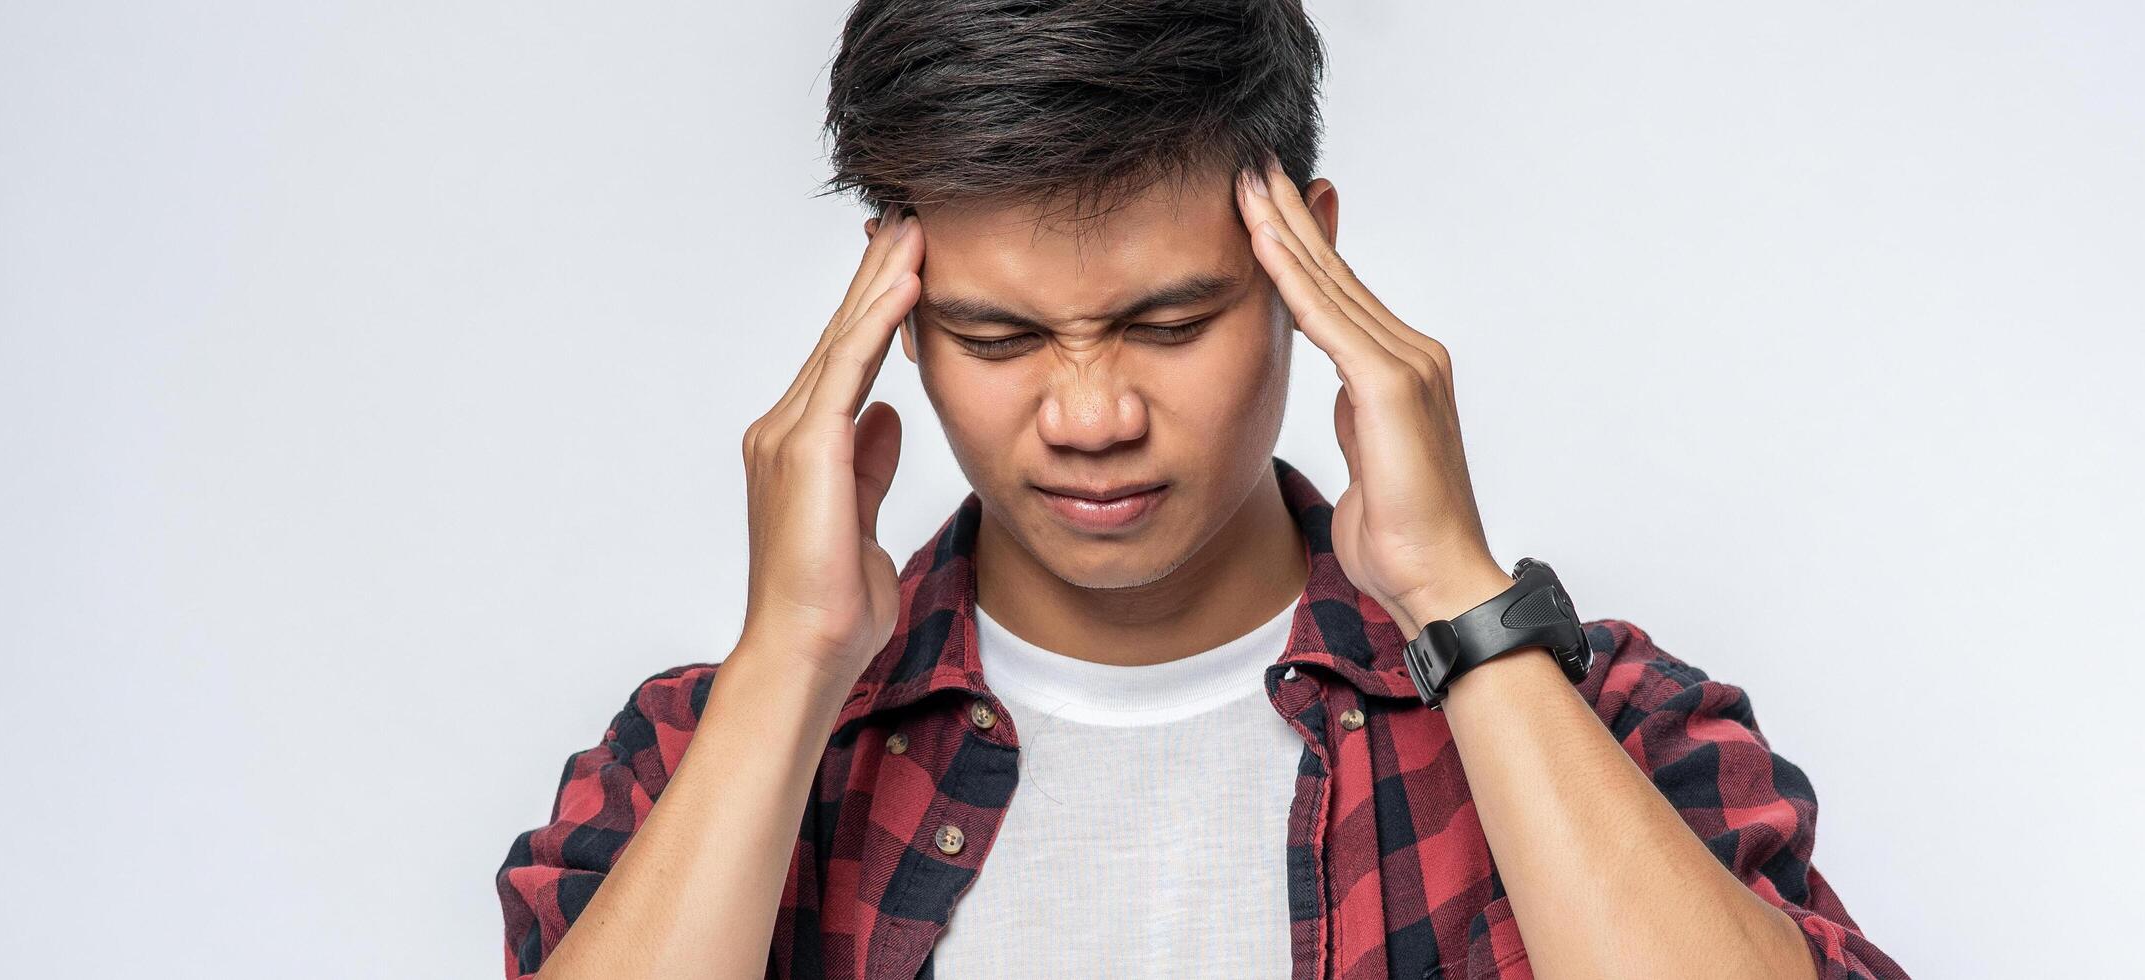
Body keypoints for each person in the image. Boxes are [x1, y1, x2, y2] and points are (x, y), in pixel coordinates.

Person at [495, 2, 1906, 978]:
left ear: (1312, 271)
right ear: (894, 305)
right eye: (999, 337)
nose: (1093, 416)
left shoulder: (1608, 732)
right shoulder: (703, 763)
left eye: (1170, 326)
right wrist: (792, 667)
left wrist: (1463, 610)